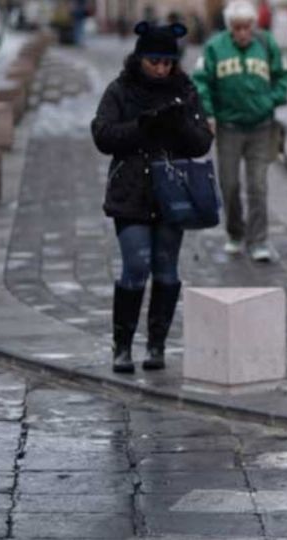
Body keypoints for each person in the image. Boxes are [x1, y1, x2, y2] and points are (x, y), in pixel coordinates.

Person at [91, 22, 214, 374]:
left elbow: (203, 141)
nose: (161, 69)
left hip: (172, 193)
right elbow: (102, 134)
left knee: (166, 269)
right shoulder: (121, 90)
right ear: (141, 58)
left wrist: (178, 125)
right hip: (131, 191)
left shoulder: (185, 90)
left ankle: (157, 345)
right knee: (135, 265)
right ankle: (123, 346)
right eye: (155, 61)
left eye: (167, 62)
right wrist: (141, 126)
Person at [192, 0, 287, 262]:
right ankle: (235, 233)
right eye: (237, 28)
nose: (243, 33)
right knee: (230, 184)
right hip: (229, 128)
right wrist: (209, 113)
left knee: (257, 185)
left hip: (261, 127)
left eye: (247, 27)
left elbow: (283, 74)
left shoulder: (266, 43)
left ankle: (259, 240)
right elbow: (201, 82)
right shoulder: (215, 47)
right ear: (230, 28)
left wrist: (272, 100)